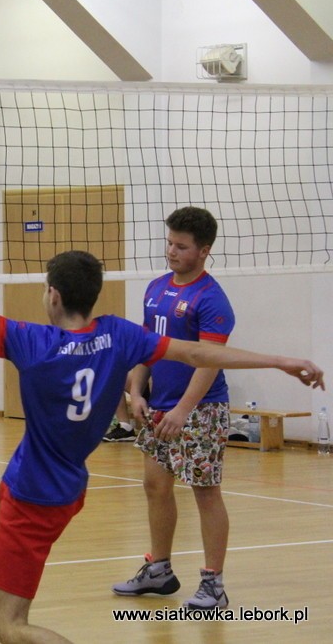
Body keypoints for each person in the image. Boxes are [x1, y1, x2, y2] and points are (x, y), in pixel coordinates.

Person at [0, 208, 323, 644]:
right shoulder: (119, 336)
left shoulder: (36, 343)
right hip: (64, 484)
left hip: (34, 498)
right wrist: (280, 361)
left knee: (8, 626)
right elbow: (196, 353)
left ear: (53, 296)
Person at [112, 206, 238, 610]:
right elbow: (148, 348)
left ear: (204, 250)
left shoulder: (211, 299)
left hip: (200, 409)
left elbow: (209, 361)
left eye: (181, 246)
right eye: (169, 243)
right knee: (155, 486)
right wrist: (136, 391)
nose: (171, 251)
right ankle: (159, 570)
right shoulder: (155, 289)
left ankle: (213, 584)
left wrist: (183, 410)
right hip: (159, 407)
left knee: (205, 492)